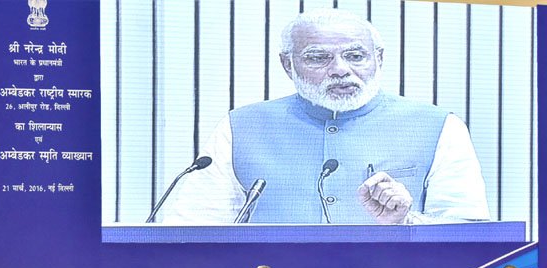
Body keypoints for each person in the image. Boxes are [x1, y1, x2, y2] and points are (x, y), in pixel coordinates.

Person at [162, 8, 489, 225]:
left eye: (355, 56)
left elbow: (471, 230)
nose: (341, 70)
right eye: (318, 58)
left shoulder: (439, 127)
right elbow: (193, 225)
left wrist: (407, 219)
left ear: (379, 58)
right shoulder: (240, 128)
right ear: (287, 64)